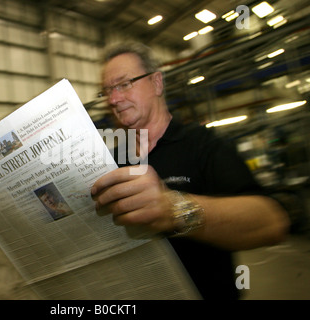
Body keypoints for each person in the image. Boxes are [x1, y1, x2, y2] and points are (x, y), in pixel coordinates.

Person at [91, 42, 291, 300]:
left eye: (124, 84)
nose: (114, 99)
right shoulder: (112, 161)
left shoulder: (203, 145)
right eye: (107, 91)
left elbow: (272, 222)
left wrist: (176, 209)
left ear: (156, 83)